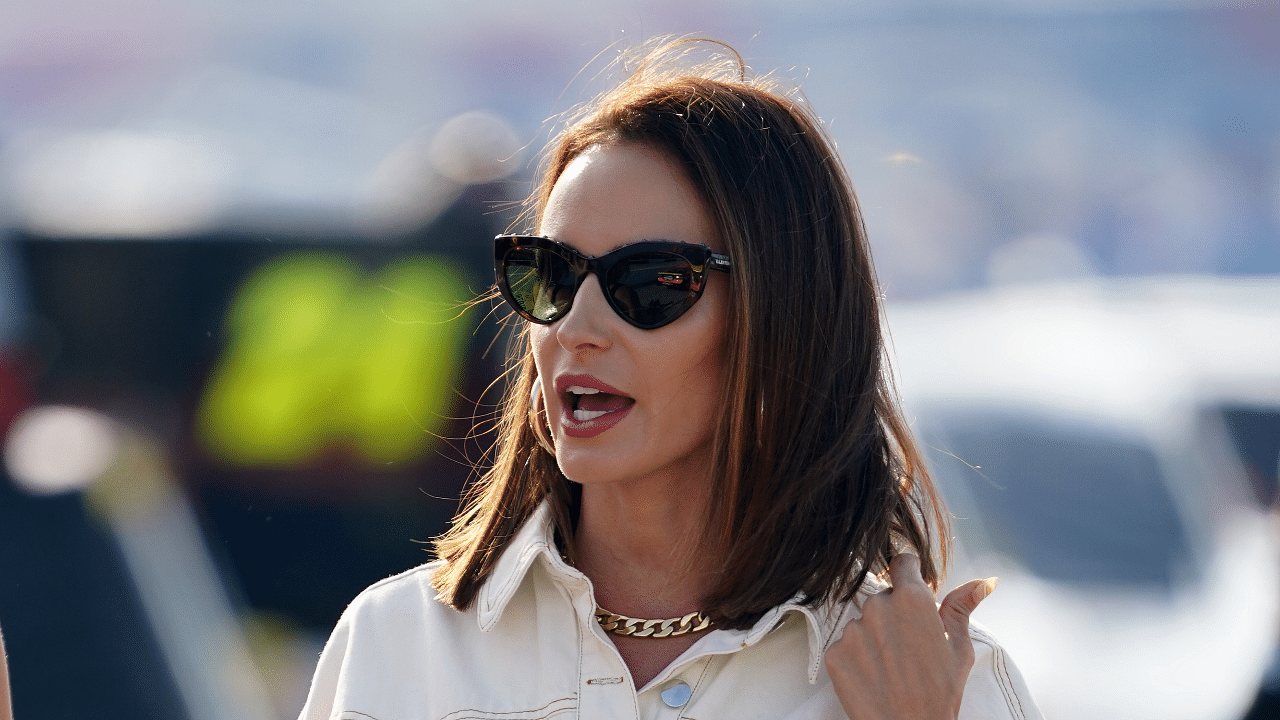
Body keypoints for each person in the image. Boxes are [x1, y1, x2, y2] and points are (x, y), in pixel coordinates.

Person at [299, 38, 1042, 720]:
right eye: (550, 275)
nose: (575, 327)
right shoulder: (400, 647)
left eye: (651, 284)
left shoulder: (935, 685)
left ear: (783, 320)